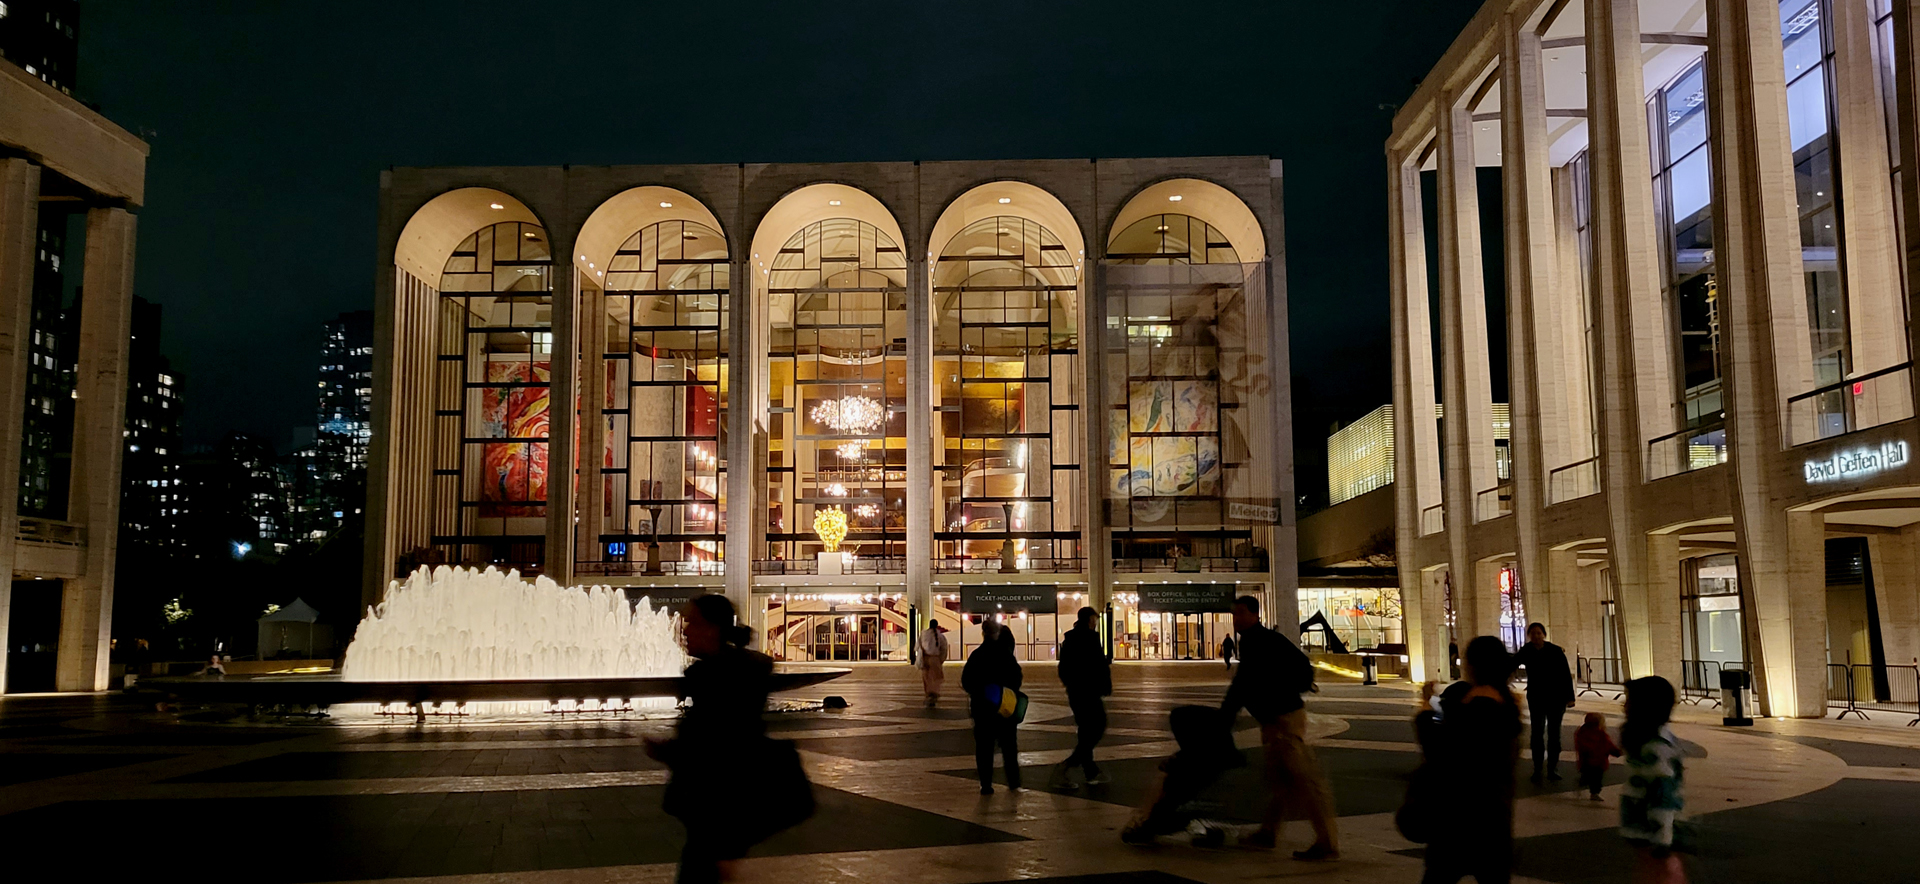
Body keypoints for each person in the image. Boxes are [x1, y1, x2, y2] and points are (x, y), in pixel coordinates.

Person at [646, 594, 775, 884]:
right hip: (725, 807)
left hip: (716, 806)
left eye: (692, 622)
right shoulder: (749, 668)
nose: (685, 629)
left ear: (713, 627)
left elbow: (718, 744)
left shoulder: (713, 676)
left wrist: (669, 751)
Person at [1221, 595, 1339, 860]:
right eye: (1234, 613)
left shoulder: (1264, 641)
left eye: (1241, 612)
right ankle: (1268, 831)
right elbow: (1245, 684)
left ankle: (1327, 842)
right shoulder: (1251, 641)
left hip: (1285, 718)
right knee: (1280, 779)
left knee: (1304, 779)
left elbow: (1244, 684)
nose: (1236, 618)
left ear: (1255, 615)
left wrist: (1284, 692)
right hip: (1273, 719)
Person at [1418, 635, 1523, 884]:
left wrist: (1424, 710)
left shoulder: (1468, 705)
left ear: (1472, 665)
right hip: (1495, 816)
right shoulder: (1508, 704)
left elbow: (1437, 748)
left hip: (1457, 816)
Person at [1620, 676, 1686, 884]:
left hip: (1651, 830)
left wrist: (1662, 839)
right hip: (1647, 828)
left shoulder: (1656, 747)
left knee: (1656, 874)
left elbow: (1662, 793)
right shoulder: (1652, 741)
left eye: (1629, 701)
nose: (1624, 706)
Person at [962, 620, 1023, 794]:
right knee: (1009, 746)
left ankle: (986, 784)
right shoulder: (1006, 655)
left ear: (983, 633)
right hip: (1004, 707)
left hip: (983, 709)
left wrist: (981, 692)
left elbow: (967, 681)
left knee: (984, 748)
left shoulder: (977, 655)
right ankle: (1013, 781)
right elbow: (1017, 678)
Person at [1054, 606, 1112, 788]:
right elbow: (1099, 665)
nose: (1095, 623)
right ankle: (1067, 765)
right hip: (1089, 691)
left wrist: (1070, 684)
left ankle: (1090, 770)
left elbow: (1063, 668)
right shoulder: (1090, 639)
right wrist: (1104, 684)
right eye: (1094, 620)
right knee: (1097, 726)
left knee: (1086, 729)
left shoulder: (1069, 639)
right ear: (1089, 620)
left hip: (1076, 691)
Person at [1511, 622, 1575, 783]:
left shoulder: (1555, 651)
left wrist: (1570, 697)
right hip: (1536, 697)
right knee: (1537, 733)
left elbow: (1565, 674)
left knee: (1554, 734)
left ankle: (1553, 768)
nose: (1536, 636)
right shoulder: (1527, 650)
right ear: (1529, 635)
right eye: (1533, 633)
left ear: (1544, 635)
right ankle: (1537, 768)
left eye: (1539, 633)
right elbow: (1512, 663)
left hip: (1556, 697)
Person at [1574, 711, 1622, 801]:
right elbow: (1609, 745)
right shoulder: (1602, 734)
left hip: (1587, 761)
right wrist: (1616, 752)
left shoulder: (1582, 733)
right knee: (1597, 779)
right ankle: (1594, 792)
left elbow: (1581, 745)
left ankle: (1584, 785)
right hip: (1599, 761)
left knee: (1589, 776)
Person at [916, 619, 951, 707]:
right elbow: (944, 649)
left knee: (926, 678)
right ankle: (934, 694)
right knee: (935, 678)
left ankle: (928, 694)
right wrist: (940, 660)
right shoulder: (940, 636)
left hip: (925, 658)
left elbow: (917, 647)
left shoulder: (923, 634)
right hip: (935, 659)